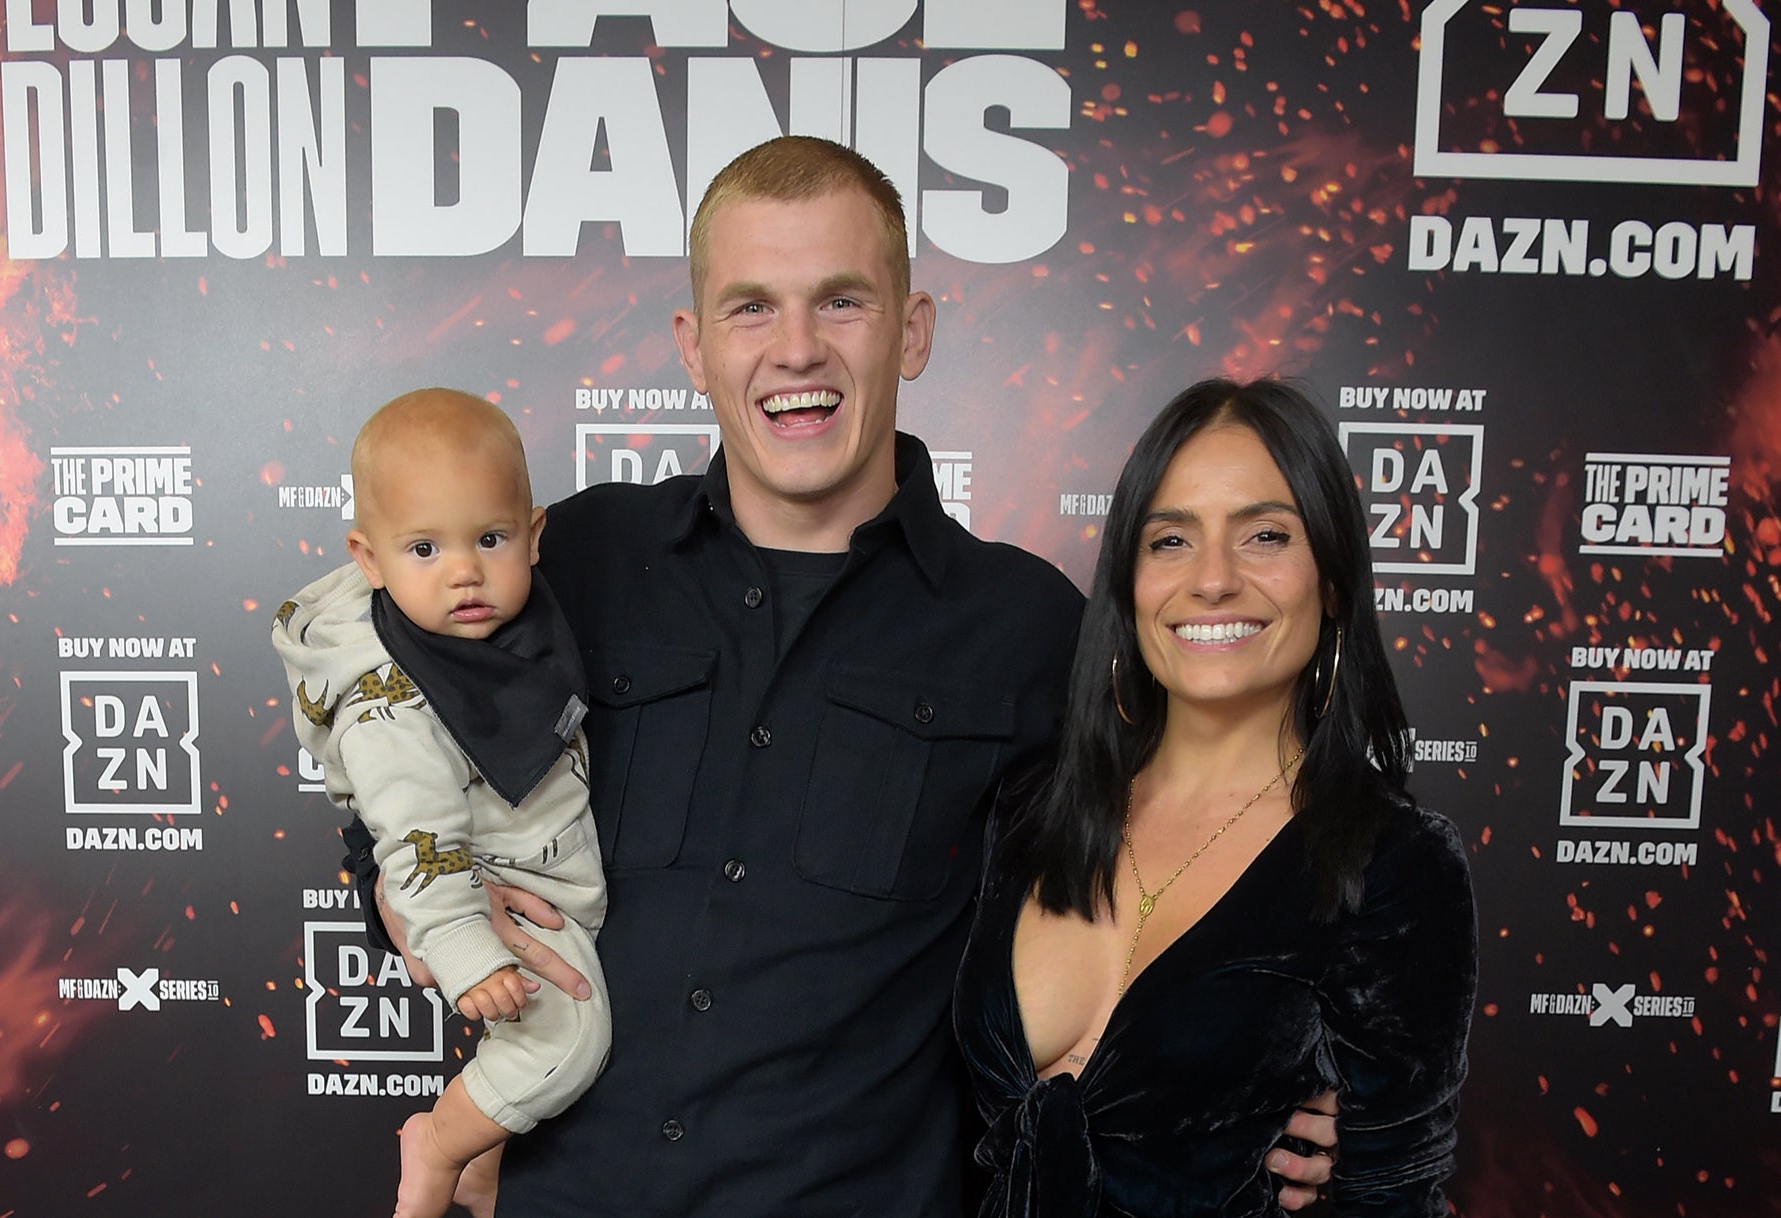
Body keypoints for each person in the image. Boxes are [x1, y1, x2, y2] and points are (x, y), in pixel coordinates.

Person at [346, 137, 1339, 1216]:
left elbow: (1178, 870)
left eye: (842, 302)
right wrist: (411, 900)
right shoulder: (567, 564)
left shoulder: (1029, 629)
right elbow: (392, 761)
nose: (796, 349)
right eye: (750, 308)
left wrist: (1276, 1075)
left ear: (911, 332)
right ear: (692, 345)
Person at [953, 377, 1479, 1215]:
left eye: (1265, 535)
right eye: (1170, 541)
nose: (1212, 580)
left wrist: (1360, 1167)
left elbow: (1395, 1196)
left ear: (1333, 581)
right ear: (1130, 582)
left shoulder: (1396, 864)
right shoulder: (1030, 809)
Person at [276, 389, 612, 1218]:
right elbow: (414, 834)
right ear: (368, 558)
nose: (464, 571)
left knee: (525, 1038)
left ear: (534, 536)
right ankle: (440, 1145)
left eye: (490, 540)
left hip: (551, 869)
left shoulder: (509, 629)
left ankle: (486, 1159)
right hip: (489, 885)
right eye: (423, 547)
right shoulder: (393, 699)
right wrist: (463, 944)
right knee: (568, 1041)